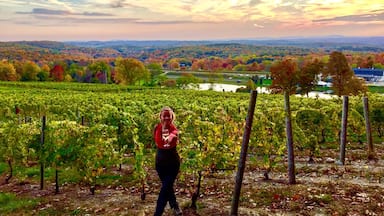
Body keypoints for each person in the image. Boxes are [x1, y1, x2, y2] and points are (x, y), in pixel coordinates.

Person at [153, 107, 182, 216]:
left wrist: (171, 135)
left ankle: (158, 213)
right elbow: (159, 142)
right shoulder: (157, 128)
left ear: (172, 117)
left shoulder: (174, 129)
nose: (166, 117)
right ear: (160, 117)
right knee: (167, 187)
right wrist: (165, 129)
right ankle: (175, 205)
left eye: (168, 115)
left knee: (165, 187)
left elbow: (174, 133)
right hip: (160, 162)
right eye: (164, 115)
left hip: (173, 163)